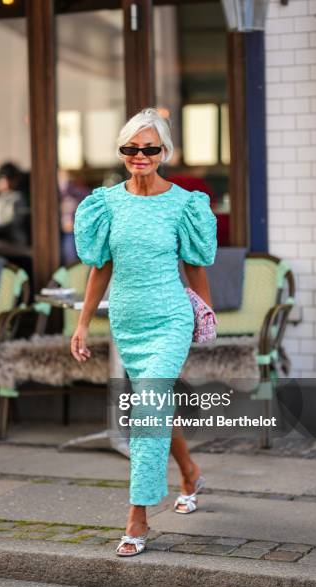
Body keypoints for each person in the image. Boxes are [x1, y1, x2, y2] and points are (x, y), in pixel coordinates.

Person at [70, 107, 217, 557]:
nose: (140, 155)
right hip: (128, 322)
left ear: (164, 151)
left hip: (170, 317)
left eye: (150, 148)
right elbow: (101, 268)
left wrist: (206, 312)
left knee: (147, 410)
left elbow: (194, 264)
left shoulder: (183, 203)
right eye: (131, 148)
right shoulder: (108, 203)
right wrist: (81, 323)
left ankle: (138, 517)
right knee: (156, 407)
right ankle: (189, 472)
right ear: (122, 151)